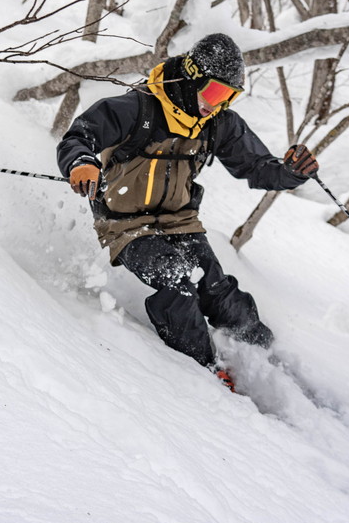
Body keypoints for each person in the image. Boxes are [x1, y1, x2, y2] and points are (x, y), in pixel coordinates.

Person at [56, 33, 319, 391]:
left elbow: (256, 166)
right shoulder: (138, 108)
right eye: (214, 93)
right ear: (194, 77)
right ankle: (205, 370)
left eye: (230, 96)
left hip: (180, 220)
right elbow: (79, 136)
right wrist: (81, 163)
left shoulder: (217, 122)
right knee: (176, 284)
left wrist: (291, 172)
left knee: (217, 290)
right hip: (126, 224)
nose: (219, 104)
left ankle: (266, 355)